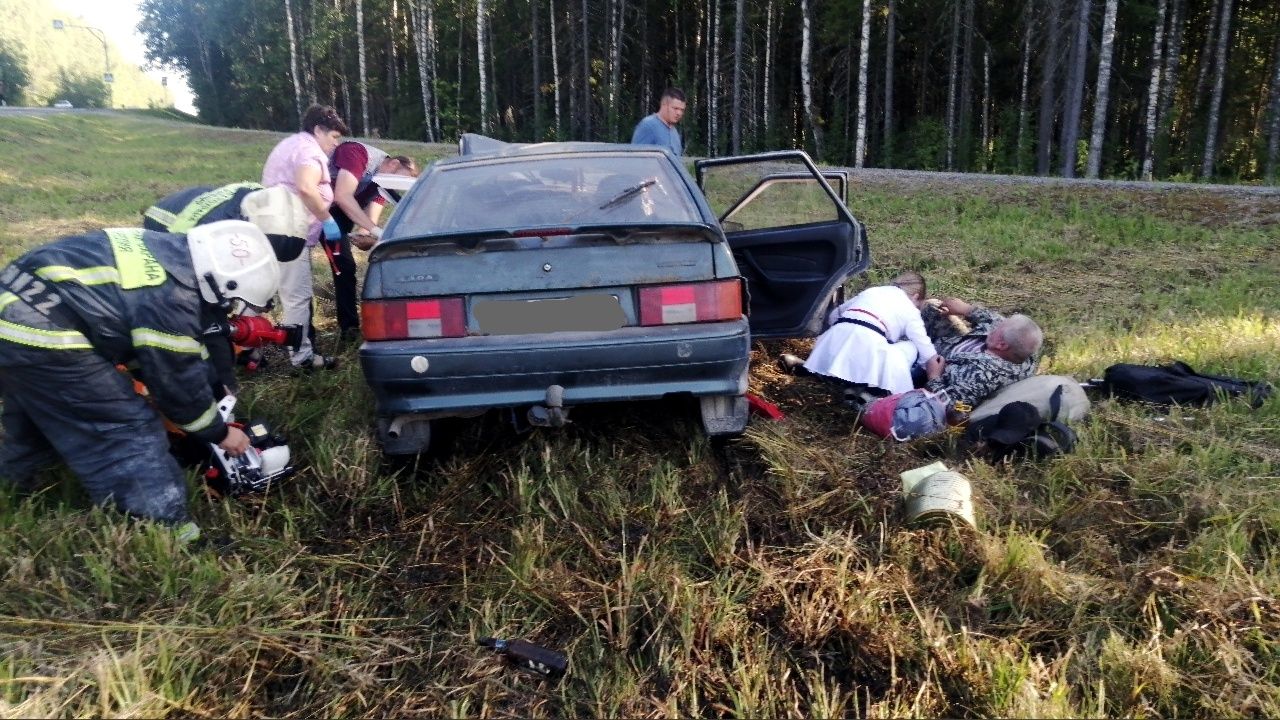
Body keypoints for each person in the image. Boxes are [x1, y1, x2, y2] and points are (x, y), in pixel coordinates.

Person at [0, 220, 281, 540]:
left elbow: (154, 347)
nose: (225, 312)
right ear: (221, 285)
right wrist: (217, 431)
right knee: (126, 430)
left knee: (39, 414)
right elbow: (176, 383)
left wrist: (213, 389)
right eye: (228, 304)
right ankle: (169, 534)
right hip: (43, 332)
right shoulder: (173, 298)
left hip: (13, 302)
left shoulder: (170, 252)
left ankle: (13, 489)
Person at [143, 183, 313, 392]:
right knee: (199, 314)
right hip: (164, 227)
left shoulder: (265, 206)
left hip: (196, 211)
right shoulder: (207, 234)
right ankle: (215, 383)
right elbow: (206, 285)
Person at [261, 103, 349, 370]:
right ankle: (303, 358)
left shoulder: (292, 144)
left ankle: (245, 350)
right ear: (318, 130)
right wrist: (327, 219)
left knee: (259, 292)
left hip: (270, 227)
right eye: (334, 137)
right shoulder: (309, 151)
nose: (336, 144)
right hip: (289, 233)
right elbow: (306, 188)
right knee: (296, 296)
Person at [781, 272, 943, 395]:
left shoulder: (872, 291)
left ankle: (817, 370)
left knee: (866, 341)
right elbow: (926, 351)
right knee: (910, 347)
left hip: (833, 339)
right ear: (916, 297)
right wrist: (931, 371)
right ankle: (881, 389)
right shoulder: (910, 309)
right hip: (869, 345)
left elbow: (833, 316)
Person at [327, 141, 418, 342]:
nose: (394, 186)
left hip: (337, 212)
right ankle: (343, 328)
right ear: (393, 164)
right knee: (342, 264)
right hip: (318, 206)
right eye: (398, 179)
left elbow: (369, 221)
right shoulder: (357, 154)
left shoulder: (383, 183)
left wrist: (368, 236)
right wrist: (377, 231)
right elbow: (342, 196)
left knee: (344, 266)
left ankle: (349, 328)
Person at [921, 296, 1043, 408]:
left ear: (1002, 345)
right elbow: (994, 320)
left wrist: (933, 377)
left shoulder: (980, 377)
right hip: (957, 342)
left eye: (996, 330)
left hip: (936, 362)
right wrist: (967, 309)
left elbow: (951, 405)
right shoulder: (1025, 347)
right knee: (933, 307)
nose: (994, 327)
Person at [631, 87, 686, 156]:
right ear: (664, 105)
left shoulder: (674, 132)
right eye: (675, 108)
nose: (679, 113)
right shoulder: (648, 126)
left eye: (682, 110)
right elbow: (636, 158)